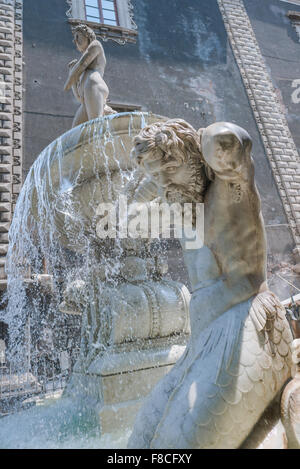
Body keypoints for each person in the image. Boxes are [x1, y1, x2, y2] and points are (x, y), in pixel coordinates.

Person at [127, 119, 292, 448]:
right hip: (203, 343)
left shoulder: (229, 189)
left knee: (178, 444)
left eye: (168, 172)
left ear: (195, 158)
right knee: (142, 436)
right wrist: (152, 174)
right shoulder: (185, 202)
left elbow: (233, 141)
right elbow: (148, 193)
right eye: (156, 178)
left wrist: (200, 138)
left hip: (250, 326)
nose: (163, 187)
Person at [64, 24, 110, 127]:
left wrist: (69, 81)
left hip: (94, 85)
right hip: (86, 96)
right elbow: (79, 97)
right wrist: (73, 78)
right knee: (75, 134)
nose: (76, 41)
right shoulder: (80, 72)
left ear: (88, 36)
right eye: (74, 38)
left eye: (78, 36)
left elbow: (82, 64)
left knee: (95, 126)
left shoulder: (95, 45)